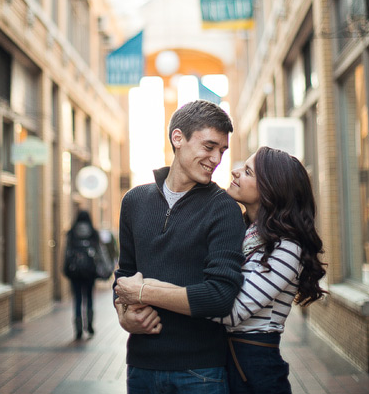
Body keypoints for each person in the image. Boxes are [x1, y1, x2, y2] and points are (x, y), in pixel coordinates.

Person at [117, 147, 327, 394]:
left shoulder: (286, 246)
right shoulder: (248, 232)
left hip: (255, 364)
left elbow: (229, 308)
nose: (235, 172)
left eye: (247, 171)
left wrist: (145, 290)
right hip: (226, 354)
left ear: (272, 189)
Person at [113, 99, 246, 393]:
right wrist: (124, 317)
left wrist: (144, 292)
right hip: (141, 366)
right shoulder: (134, 201)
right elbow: (124, 277)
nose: (216, 159)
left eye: (222, 151)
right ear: (178, 138)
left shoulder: (223, 208)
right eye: (209, 147)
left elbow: (220, 296)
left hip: (200, 371)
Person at [63, 209, 103, 340]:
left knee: (78, 299)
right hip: (90, 272)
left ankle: (78, 329)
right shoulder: (93, 233)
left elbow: (66, 252)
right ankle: (90, 325)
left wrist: (66, 269)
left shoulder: (71, 233)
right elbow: (99, 252)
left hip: (75, 272)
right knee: (89, 298)